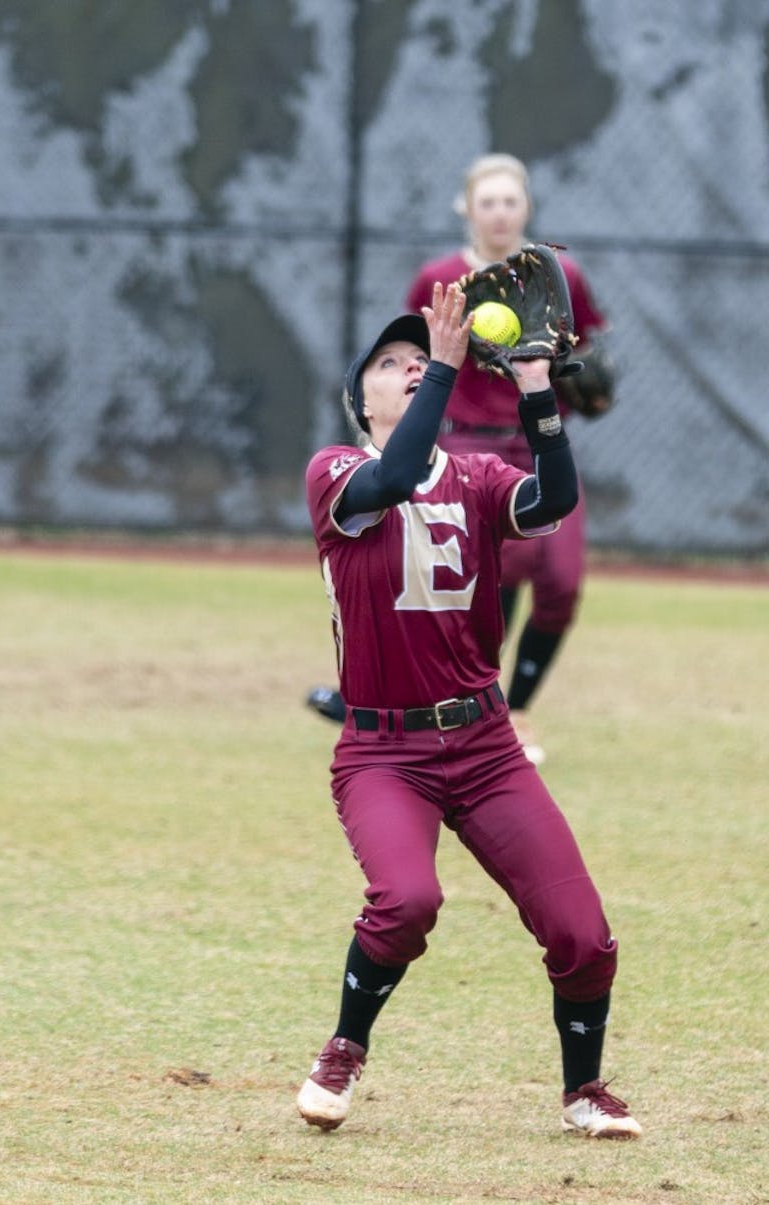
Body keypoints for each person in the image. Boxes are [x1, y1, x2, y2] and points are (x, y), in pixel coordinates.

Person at [297, 279, 641, 1138]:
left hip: (485, 743)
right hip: (384, 751)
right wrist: (449, 371)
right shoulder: (336, 473)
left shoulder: (482, 478)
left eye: (422, 358)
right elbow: (402, 470)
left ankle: (583, 1091)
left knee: (584, 935)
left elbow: (552, 501)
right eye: (391, 364)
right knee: (407, 901)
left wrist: (536, 393)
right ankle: (342, 1050)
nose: (412, 368)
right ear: (360, 398)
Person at [307, 153, 612, 765]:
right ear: (468, 210)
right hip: (465, 439)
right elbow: (416, 348)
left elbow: (591, 348)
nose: (499, 212)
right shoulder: (441, 277)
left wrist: (586, 377)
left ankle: (516, 705)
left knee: (562, 581)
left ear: (526, 206)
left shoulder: (559, 274)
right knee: (479, 577)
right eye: (488, 201)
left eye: (510, 201)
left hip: (534, 437)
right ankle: (452, 703)